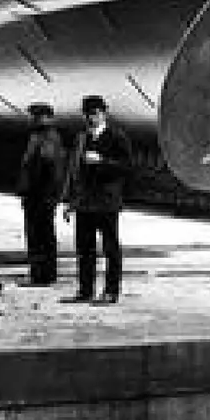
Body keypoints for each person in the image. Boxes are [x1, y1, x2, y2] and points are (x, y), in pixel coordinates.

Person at [60, 94, 133, 305]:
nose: (91, 118)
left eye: (95, 113)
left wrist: (102, 161)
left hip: (107, 202)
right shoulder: (82, 138)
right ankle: (85, 291)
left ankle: (111, 291)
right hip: (85, 203)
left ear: (104, 113)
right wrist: (70, 201)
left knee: (111, 249)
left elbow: (127, 167)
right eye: (88, 114)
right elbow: (74, 171)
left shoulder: (117, 137)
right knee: (85, 250)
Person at [16, 103, 65, 286]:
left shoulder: (47, 137)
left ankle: (42, 276)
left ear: (47, 118)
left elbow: (48, 168)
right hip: (37, 195)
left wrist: (44, 195)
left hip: (40, 196)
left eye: (37, 116)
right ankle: (41, 274)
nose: (34, 119)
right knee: (39, 234)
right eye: (34, 116)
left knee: (40, 235)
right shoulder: (39, 136)